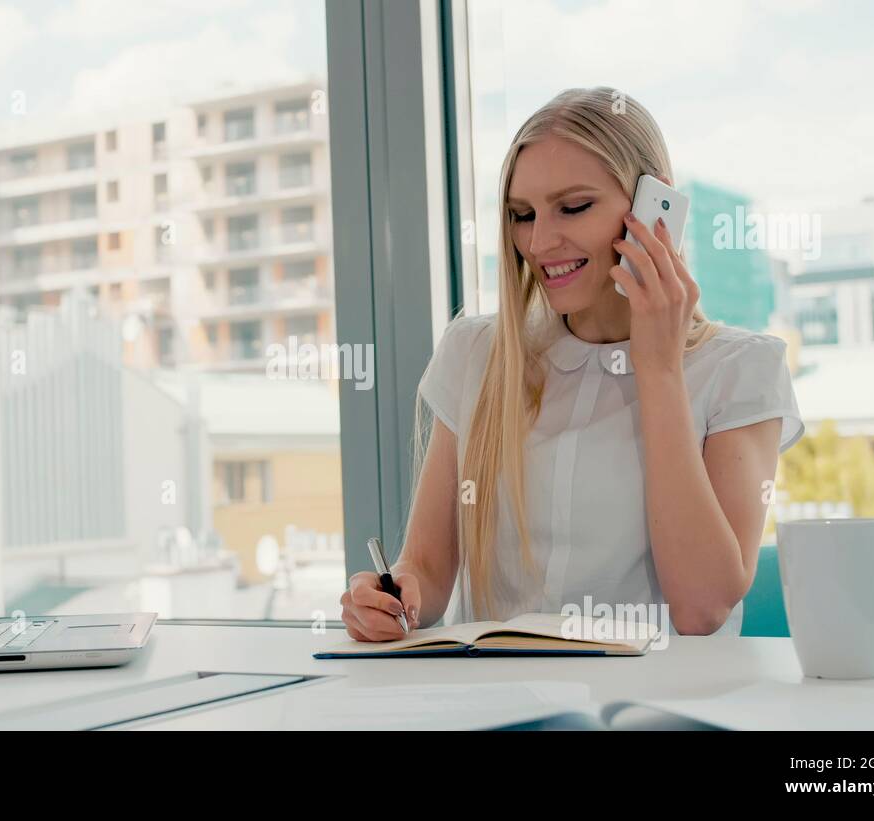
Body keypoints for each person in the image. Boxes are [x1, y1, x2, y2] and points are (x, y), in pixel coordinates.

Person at [339, 87, 804, 640]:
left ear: (654, 210)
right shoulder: (475, 354)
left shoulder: (741, 370)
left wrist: (657, 368)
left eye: (574, 207)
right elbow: (430, 571)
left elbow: (702, 608)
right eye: (521, 215)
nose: (539, 242)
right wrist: (394, 596)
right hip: (498, 705)